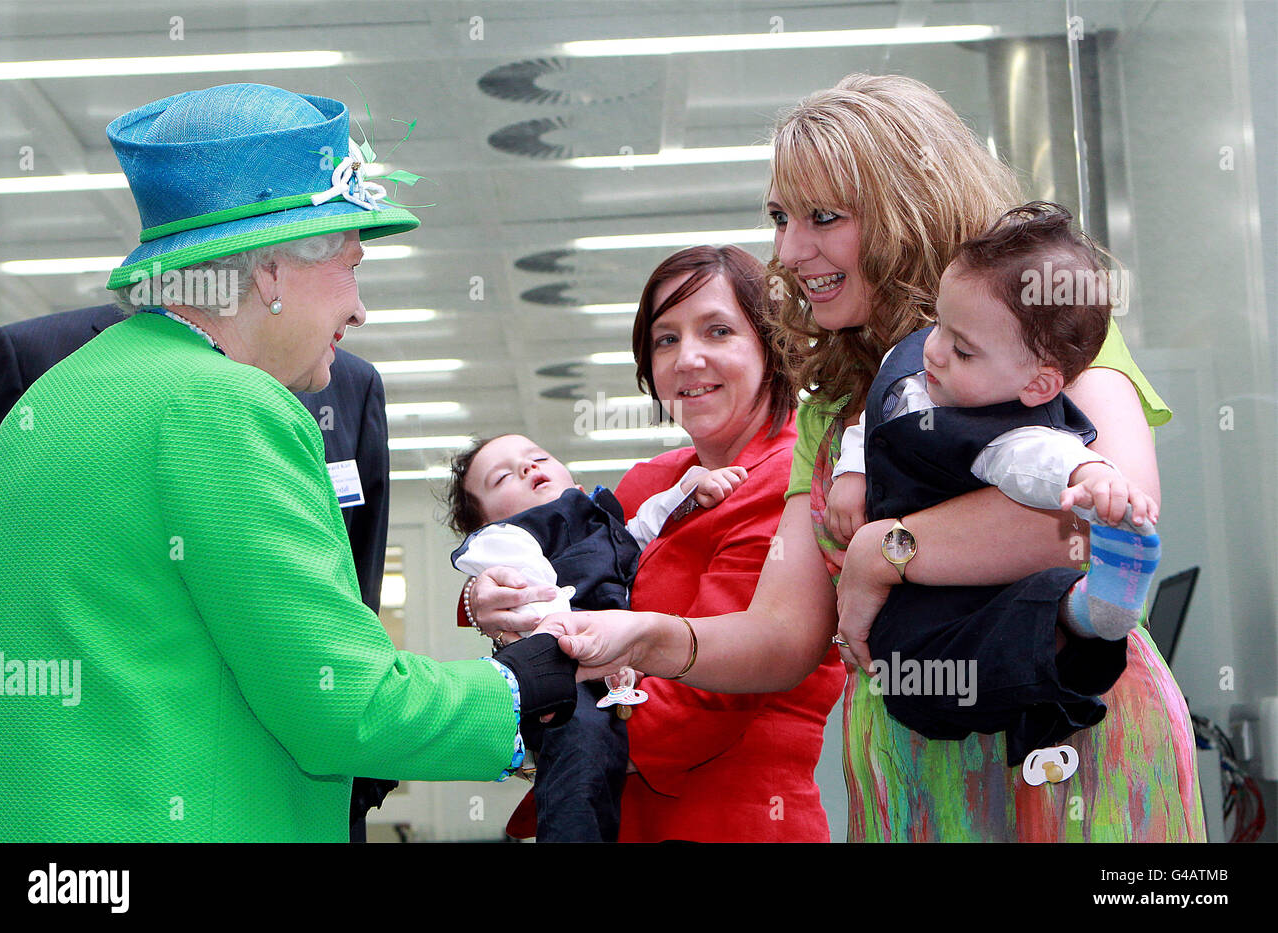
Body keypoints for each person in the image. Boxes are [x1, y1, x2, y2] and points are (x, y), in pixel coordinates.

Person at [542, 74, 1206, 842]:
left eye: (825, 216)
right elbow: (785, 632)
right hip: (913, 775)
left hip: (1073, 756)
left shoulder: (1041, 324)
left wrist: (881, 553)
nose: (791, 250)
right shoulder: (829, 406)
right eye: (783, 218)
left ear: (907, 212)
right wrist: (651, 637)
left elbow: (1109, 516)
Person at [0, 83, 576, 842]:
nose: (360, 309)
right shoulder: (224, 406)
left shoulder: (51, 402)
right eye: (351, 267)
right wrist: (525, 684)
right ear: (269, 274)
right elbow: (342, 703)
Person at [468, 245, 847, 842]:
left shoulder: (795, 481)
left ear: (773, 342)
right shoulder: (650, 481)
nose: (686, 358)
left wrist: (533, 733)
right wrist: (483, 598)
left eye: (717, 330)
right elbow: (567, 575)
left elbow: (705, 704)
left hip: (730, 822)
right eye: (665, 339)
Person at [0, 303, 397, 841]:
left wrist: (359, 768)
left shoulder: (348, 381)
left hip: (309, 793)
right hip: (103, 787)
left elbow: (355, 587)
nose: (359, 308)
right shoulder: (35, 356)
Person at [825, 201, 1162, 767]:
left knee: (932, 671)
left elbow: (1045, 457)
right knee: (917, 674)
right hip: (914, 595)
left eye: (963, 351)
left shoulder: (1007, 430)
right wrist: (852, 471)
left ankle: (1084, 611)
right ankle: (1072, 619)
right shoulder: (919, 358)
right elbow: (877, 414)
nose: (934, 351)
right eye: (939, 322)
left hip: (964, 599)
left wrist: (1092, 476)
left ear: (1038, 385)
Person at [446, 433, 745, 841]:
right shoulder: (507, 537)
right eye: (503, 477)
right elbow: (537, 596)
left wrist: (686, 494)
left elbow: (639, 533)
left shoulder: (595, 517)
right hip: (562, 667)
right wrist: (586, 642)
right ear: (486, 521)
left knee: (604, 764)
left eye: (538, 457)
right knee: (580, 757)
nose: (528, 468)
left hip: (608, 662)